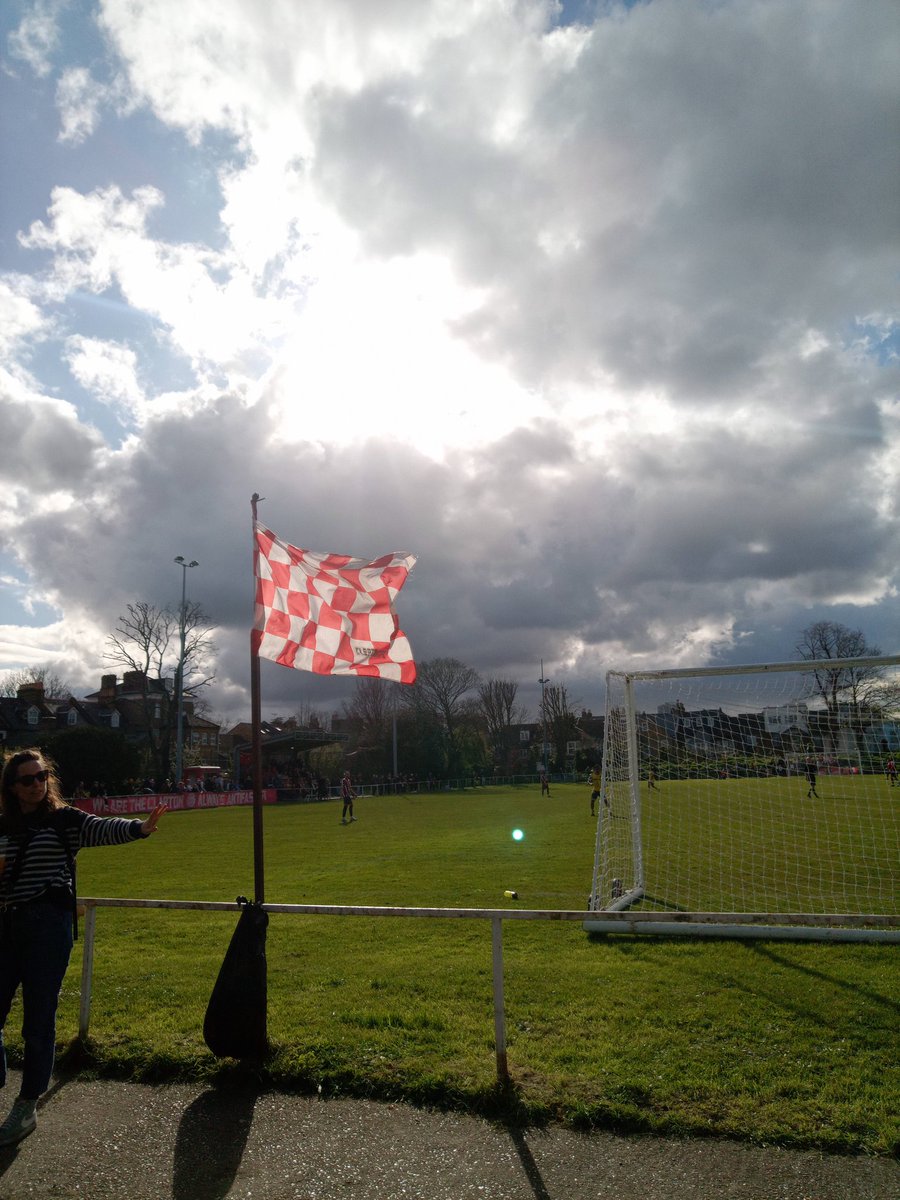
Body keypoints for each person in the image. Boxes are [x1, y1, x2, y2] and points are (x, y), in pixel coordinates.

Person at [0, 749, 166, 1147]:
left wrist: (138, 829)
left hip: (47, 928)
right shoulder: (2, 827)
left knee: (38, 1020)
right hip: (5, 926)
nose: (37, 784)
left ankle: (26, 1105)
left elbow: (100, 828)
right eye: (28, 779)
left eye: (42, 776)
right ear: (12, 788)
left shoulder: (64, 821)